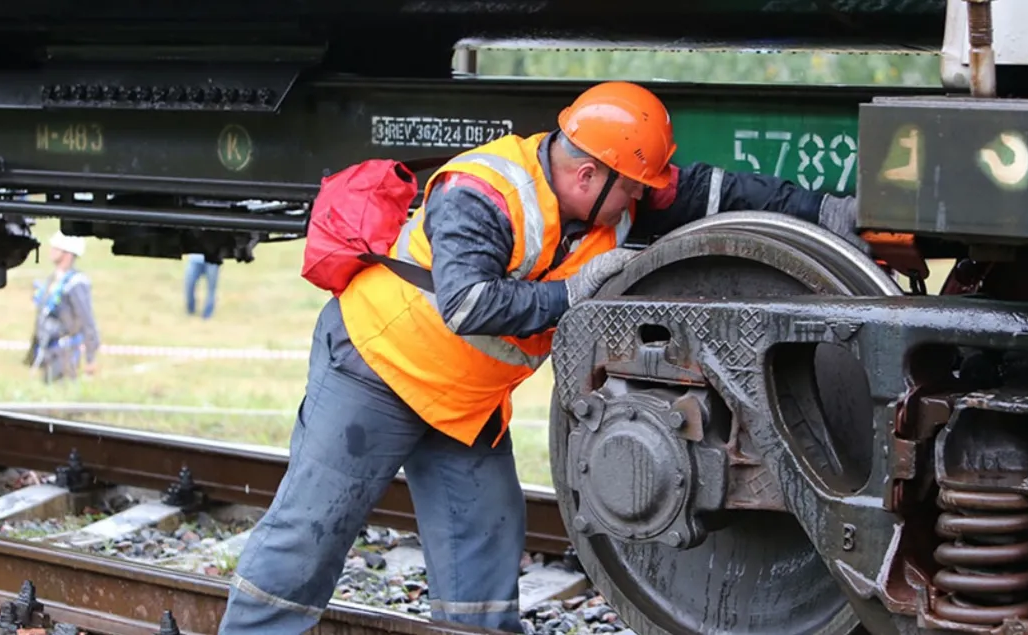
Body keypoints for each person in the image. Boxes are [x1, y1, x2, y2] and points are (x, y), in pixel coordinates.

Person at [216, 81, 863, 634]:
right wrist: (576, 291)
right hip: (377, 368)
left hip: (465, 403)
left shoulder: (613, 194)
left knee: (485, 548)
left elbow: (712, 190)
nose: (638, 205)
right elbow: (469, 304)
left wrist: (828, 212)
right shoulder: (483, 189)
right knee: (311, 531)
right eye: (630, 191)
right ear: (588, 175)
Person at [23, 230, 101, 383]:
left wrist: (90, 357)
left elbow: (87, 320)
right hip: (47, 352)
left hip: (65, 355)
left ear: (68, 253)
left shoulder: (76, 283)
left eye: (56, 248)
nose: (51, 250)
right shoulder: (52, 280)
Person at [184, 253, 221, 319]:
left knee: (211, 289)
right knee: (189, 283)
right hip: (195, 259)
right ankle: (190, 310)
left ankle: (207, 315)